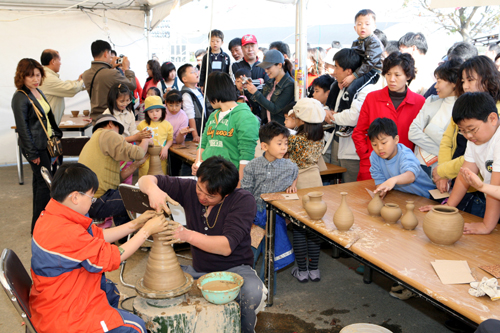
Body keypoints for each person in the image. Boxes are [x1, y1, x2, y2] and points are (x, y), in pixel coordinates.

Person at [30, 162, 168, 333]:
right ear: (75, 197)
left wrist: (136, 224)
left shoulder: (55, 215)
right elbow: (113, 257)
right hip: (64, 314)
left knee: (109, 290)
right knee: (136, 327)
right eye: (91, 197)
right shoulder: (65, 232)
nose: (92, 201)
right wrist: (147, 231)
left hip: (55, 294)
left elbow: (98, 236)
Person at [138, 156, 267, 333]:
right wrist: (153, 190)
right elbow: (145, 179)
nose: (202, 197)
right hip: (199, 270)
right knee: (157, 286)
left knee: (253, 292)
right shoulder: (191, 188)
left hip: (235, 269)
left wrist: (186, 235)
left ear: (226, 194)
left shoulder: (243, 200)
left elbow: (226, 247)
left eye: (211, 196)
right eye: (200, 188)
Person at [424, 92, 500, 235]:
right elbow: (465, 174)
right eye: (462, 131)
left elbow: (494, 190)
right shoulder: (475, 139)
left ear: (492, 118)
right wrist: (448, 206)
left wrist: (486, 225)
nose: (468, 136)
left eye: (472, 129)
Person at [432, 56, 500, 199]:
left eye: (470, 80)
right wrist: (444, 174)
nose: (465, 86)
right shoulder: (463, 106)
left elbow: (477, 156)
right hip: (460, 181)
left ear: (487, 79)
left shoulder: (494, 116)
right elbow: (447, 140)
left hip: (480, 187)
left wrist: (444, 170)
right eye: (463, 81)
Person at [352, 51, 425, 181]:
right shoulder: (372, 98)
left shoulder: (419, 102)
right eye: (388, 74)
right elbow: (358, 132)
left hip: (404, 169)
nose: (391, 79)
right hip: (373, 165)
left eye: (397, 75)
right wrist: (366, 155)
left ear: (408, 76)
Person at [241, 121, 298, 286]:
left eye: (286, 143)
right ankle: (246, 286)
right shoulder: (253, 166)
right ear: (264, 146)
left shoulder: (290, 166)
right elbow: (245, 191)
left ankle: (266, 289)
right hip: (255, 216)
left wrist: (293, 185)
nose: (283, 147)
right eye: (279, 143)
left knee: (271, 254)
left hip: (276, 218)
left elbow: (295, 174)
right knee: (250, 252)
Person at [12, 58, 63, 234]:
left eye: (38, 75)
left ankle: (40, 225)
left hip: (47, 144)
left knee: (40, 183)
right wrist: (32, 152)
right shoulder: (20, 97)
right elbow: (23, 129)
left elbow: (48, 118)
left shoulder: (37, 92)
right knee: (44, 185)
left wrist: (55, 136)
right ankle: (39, 229)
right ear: (22, 77)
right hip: (36, 146)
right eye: (31, 76)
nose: (35, 79)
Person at [78, 114, 150, 226]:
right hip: (95, 200)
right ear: (111, 124)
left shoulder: (95, 140)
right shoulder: (107, 134)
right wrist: (146, 139)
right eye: (118, 131)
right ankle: (130, 238)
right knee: (138, 198)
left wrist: (136, 164)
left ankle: (123, 237)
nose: (119, 136)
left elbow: (117, 178)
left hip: (86, 200)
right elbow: (139, 153)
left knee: (125, 195)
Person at [192, 72, 259, 184]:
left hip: (228, 180)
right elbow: (203, 144)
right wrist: (197, 162)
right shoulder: (214, 115)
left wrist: (239, 185)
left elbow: (246, 156)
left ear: (214, 92)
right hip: (209, 178)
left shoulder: (245, 117)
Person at [325, 48, 379, 183]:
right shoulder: (339, 85)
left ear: (349, 71)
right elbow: (331, 108)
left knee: (351, 189)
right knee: (335, 189)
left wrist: (333, 117)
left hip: (353, 151)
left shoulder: (366, 88)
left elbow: (354, 117)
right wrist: (328, 113)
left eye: (337, 67)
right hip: (336, 143)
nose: (334, 71)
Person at [287, 98, 325, 283]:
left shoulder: (293, 140)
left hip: (298, 184)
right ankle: (314, 270)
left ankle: (302, 271)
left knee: (300, 228)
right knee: (314, 227)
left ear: (301, 119)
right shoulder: (320, 138)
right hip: (316, 182)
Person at [409, 59, 461, 177]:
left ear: (454, 83)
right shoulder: (431, 100)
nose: (435, 86)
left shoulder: (464, 108)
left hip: (442, 170)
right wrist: (444, 151)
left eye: (439, 81)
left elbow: (454, 144)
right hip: (418, 164)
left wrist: (428, 129)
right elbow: (412, 133)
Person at [369, 117, 435, 198]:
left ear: (396, 139)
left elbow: (411, 175)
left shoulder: (405, 154)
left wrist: (393, 180)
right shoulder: (375, 156)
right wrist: (381, 192)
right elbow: (379, 179)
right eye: (374, 144)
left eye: (383, 142)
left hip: (426, 196)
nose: (379, 148)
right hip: (403, 195)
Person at [338, 9, 383, 113]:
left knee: (352, 88)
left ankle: (350, 116)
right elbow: (353, 61)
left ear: (374, 27)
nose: (363, 27)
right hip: (360, 71)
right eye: (359, 24)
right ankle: (335, 112)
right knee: (336, 86)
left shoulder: (374, 42)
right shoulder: (356, 42)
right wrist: (344, 78)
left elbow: (370, 63)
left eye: (367, 24)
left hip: (373, 72)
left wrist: (353, 76)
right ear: (355, 28)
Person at [82, 40, 136, 121]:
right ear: (105, 53)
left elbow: (101, 77)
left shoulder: (85, 74)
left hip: (95, 119)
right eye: (110, 54)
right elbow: (132, 85)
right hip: (111, 119)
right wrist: (127, 68)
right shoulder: (112, 74)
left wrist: (110, 67)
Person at [245, 49, 295, 125]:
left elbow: (275, 109)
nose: (266, 71)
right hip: (269, 126)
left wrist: (256, 92)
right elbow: (257, 103)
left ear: (279, 65)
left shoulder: (289, 84)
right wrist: (247, 89)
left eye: (268, 67)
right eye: (265, 68)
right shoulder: (270, 82)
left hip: (281, 128)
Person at [39, 49, 85, 124]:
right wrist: (83, 82)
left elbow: (64, 85)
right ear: (53, 61)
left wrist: (78, 81)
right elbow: (70, 89)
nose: (60, 63)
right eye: (59, 60)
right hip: (47, 125)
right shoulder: (48, 77)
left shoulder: (47, 75)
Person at [136, 96, 174, 178]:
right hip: (145, 159)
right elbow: (137, 140)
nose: (155, 114)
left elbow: (170, 139)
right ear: (146, 113)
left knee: (160, 180)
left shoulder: (167, 125)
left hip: (161, 158)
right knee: (145, 180)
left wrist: (166, 148)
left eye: (157, 110)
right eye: (151, 111)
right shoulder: (141, 125)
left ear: (162, 111)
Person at [178, 63, 205, 142]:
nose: (196, 73)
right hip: (194, 133)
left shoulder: (198, 90)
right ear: (184, 79)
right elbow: (190, 117)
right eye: (192, 72)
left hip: (202, 129)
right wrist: (195, 135)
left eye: (195, 71)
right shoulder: (186, 94)